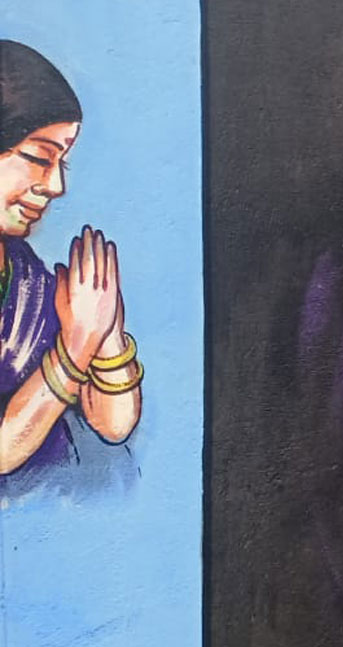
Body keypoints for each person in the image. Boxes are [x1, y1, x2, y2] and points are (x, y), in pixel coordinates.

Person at [0, 41, 144, 482]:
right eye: (39, 158)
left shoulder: (29, 278)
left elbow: (115, 425)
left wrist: (105, 329)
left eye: (62, 162)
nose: (55, 185)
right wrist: (76, 347)